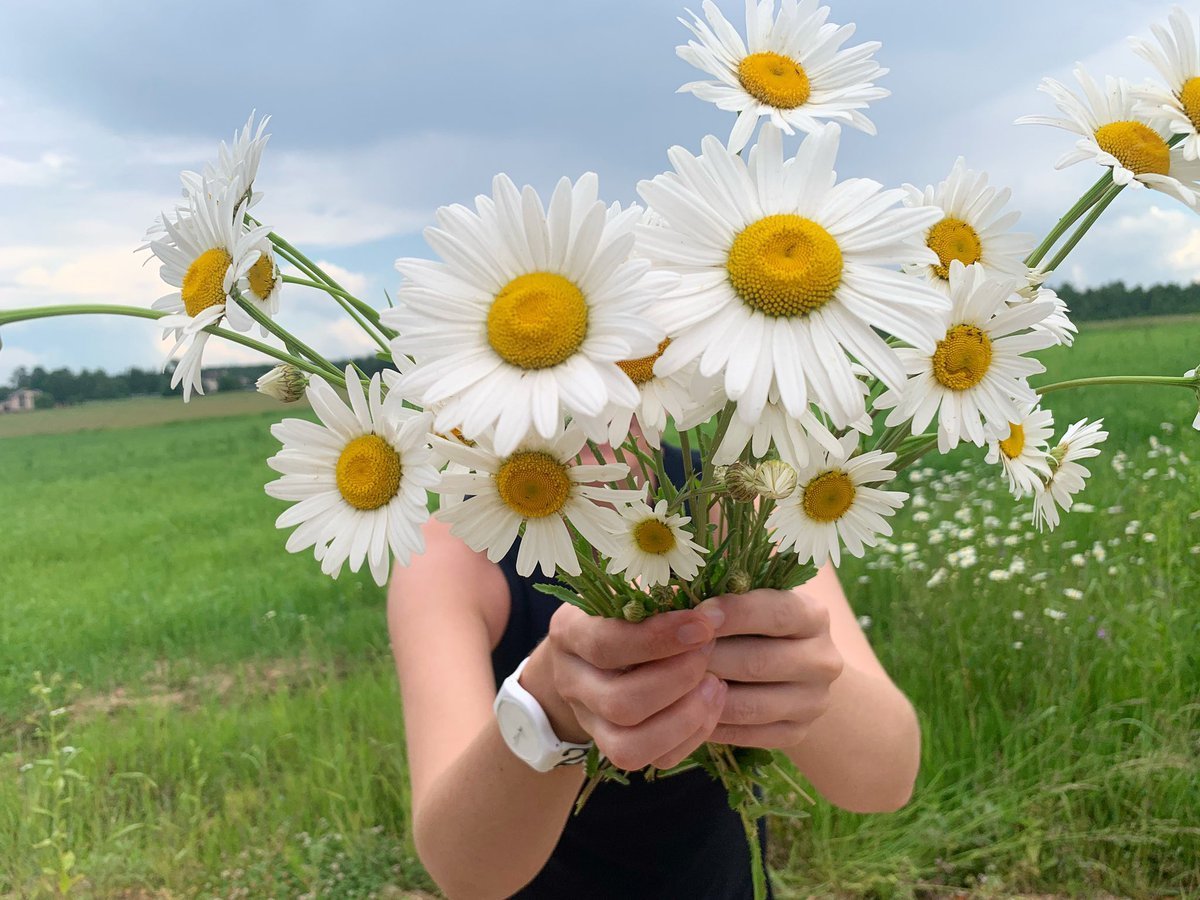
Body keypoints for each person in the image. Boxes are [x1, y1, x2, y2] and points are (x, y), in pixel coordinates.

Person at [387, 443, 921, 899]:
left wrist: (777, 656)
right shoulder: (451, 554)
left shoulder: (741, 501)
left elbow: (885, 781)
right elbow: (465, 875)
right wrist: (547, 707)